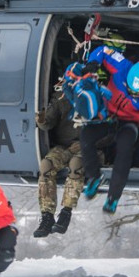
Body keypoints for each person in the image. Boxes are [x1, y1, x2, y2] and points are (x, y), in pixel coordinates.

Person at [78, 44, 139, 214]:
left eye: (137, 93)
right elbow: (104, 51)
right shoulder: (122, 66)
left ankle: (113, 197)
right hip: (108, 116)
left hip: (129, 124)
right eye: (129, 89)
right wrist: (93, 63)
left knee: (125, 149)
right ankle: (93, 177)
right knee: (86, 135)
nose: (132, 94)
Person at [33, 92, 89, 238]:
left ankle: (66, 213)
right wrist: (42, 119)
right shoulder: (62, 97)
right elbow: (47, 123)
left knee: (75, 164)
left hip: (90, 147)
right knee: (46, 165)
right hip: (65, 147)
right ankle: (47, 216)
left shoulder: (99, 96)